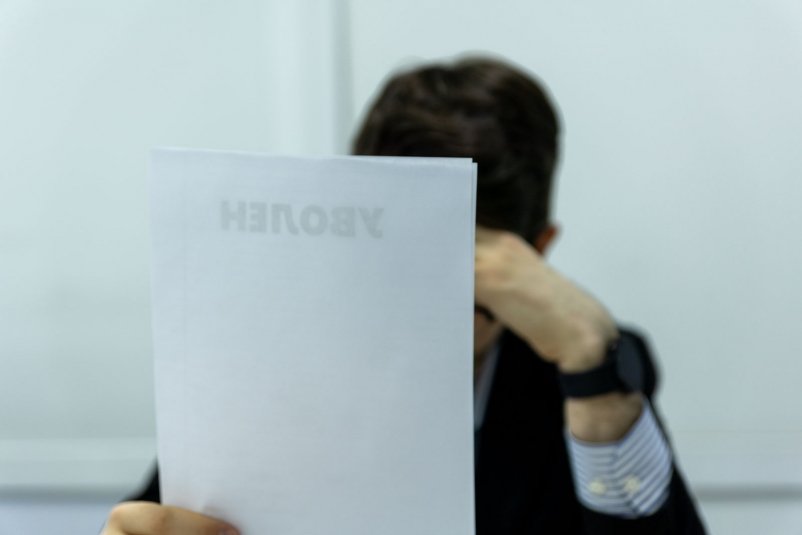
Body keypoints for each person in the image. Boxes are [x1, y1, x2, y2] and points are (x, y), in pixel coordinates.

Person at [102, 56, 706, 534]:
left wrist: (593, 372)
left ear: (536, 253)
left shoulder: (586, 378)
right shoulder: (270, 371)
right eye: (401, 269)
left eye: (470, 281)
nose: (429, 313)